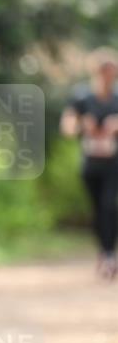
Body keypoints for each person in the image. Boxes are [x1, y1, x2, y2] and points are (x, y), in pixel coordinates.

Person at [59, 47, 118, 280]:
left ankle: (109, 254)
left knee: (109, 205)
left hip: (114, 164)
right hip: (91, 165)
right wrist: (84, 124)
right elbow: (68, 127)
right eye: (103, 71)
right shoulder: (82, 97)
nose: (107, 75)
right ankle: (104, 252)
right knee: (98, 209)